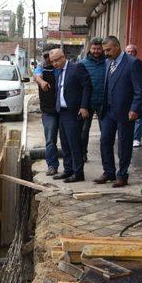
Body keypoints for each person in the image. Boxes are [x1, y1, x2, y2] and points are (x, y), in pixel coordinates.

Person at [94, 36, 142, 188]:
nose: (106, 53)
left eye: (109, 50)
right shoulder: (107, 62)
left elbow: (140, 88)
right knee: (105, 141)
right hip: (108, 111)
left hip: (125, 112)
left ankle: (122, 175)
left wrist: (135, 108)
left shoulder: (133, 63)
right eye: (105, 50)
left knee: (124, 144)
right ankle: (108, 171)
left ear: (118, 47)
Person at [49, 48, 93, 183]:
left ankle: (78, 172)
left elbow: (88, 86)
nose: (54, 64)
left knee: (74, 144)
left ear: (63, 57)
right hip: (61, 112)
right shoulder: (57, 72)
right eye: (52, 62)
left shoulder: (77, 68)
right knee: (65, 143)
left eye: (56, 60)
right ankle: (68, 170)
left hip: (74, 112)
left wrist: (84, 106)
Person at [80, 37, 107, 162]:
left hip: (104, 103)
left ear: (102, 49)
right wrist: (82, 105)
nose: (96, 51)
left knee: (106, 132)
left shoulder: (108, 63)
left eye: (98, 48)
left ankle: (106, 156)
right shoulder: (83, 63)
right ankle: (82, 154)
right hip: (87, 103)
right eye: (94, 48)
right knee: (84, 131)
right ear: (90, 48)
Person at [34, 47, 60, 176]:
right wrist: (42, 82)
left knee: (68, 140)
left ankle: (70, 166)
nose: (48, 59)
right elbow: (37, 76)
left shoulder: (62, 68)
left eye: (50, 57)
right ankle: (52, 165)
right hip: (48, 110)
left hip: (65, 110)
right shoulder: (41, 68)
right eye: (46, 57)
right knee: (50, 139)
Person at [125, 44, 142, 147]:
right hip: (126, 95)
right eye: (128, 51)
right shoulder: (122, 64)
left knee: (137, 116)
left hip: (137, 94)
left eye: (132, 51)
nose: (130, 53)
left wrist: (138, 87)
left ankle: (136, 138)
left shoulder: (140, 64)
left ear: (135, 53)